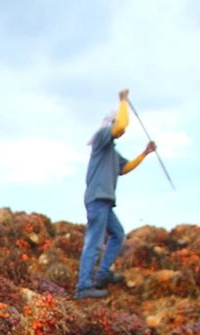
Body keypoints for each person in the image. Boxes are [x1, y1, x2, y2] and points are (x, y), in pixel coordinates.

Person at [75, 88, 157, 300]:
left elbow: (125, 168)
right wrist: (123, 103)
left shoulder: (111, 151)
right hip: (97, 199)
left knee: (118, 234)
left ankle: (102, 275)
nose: (121, 132)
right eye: (116, 127)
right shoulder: (101, 138)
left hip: (105, 201)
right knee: (94, 241)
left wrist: (144, 154)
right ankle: (83, 286)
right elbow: (121, 125)